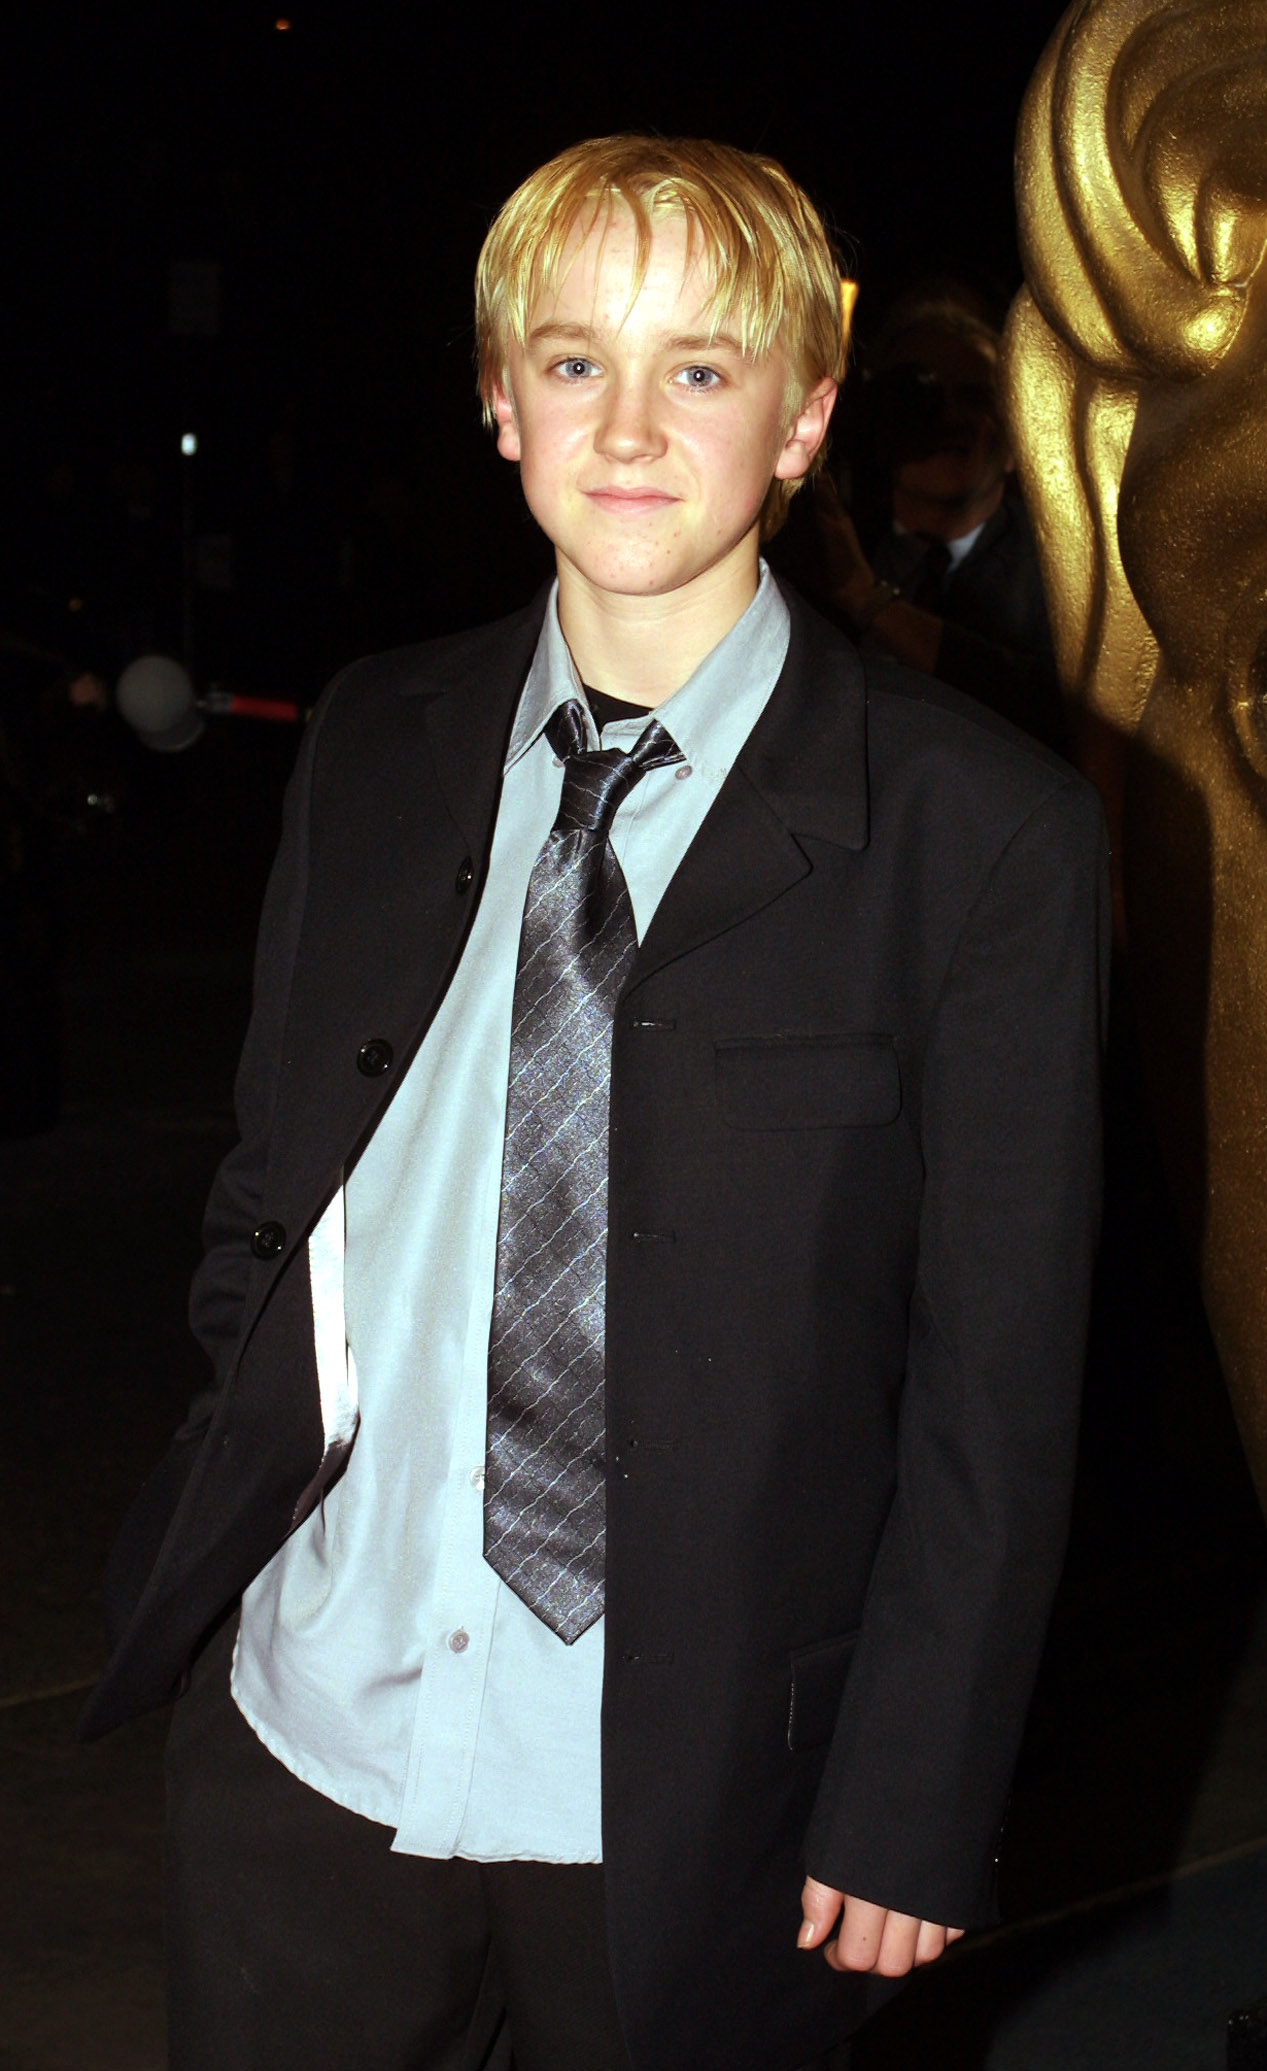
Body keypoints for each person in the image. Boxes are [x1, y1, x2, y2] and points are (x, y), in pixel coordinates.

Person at [82, 136, 1108, 2071]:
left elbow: (997, 1385)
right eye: (571, 363)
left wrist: (913, 1788)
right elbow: (274, 1188)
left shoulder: (983, 838)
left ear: (807, 419)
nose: (627, 427)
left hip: (710, 1818)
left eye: (701, 371)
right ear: (497, 399)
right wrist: (239, 1521)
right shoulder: (380, 737)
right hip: (313, 1752)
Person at [783, 290, 1066, 754]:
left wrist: (870, 601)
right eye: (918, 394)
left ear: (1019, 437)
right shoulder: (820, 537)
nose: (948, 417)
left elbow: (1052, 712)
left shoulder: (1059, 578)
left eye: (976, 397)